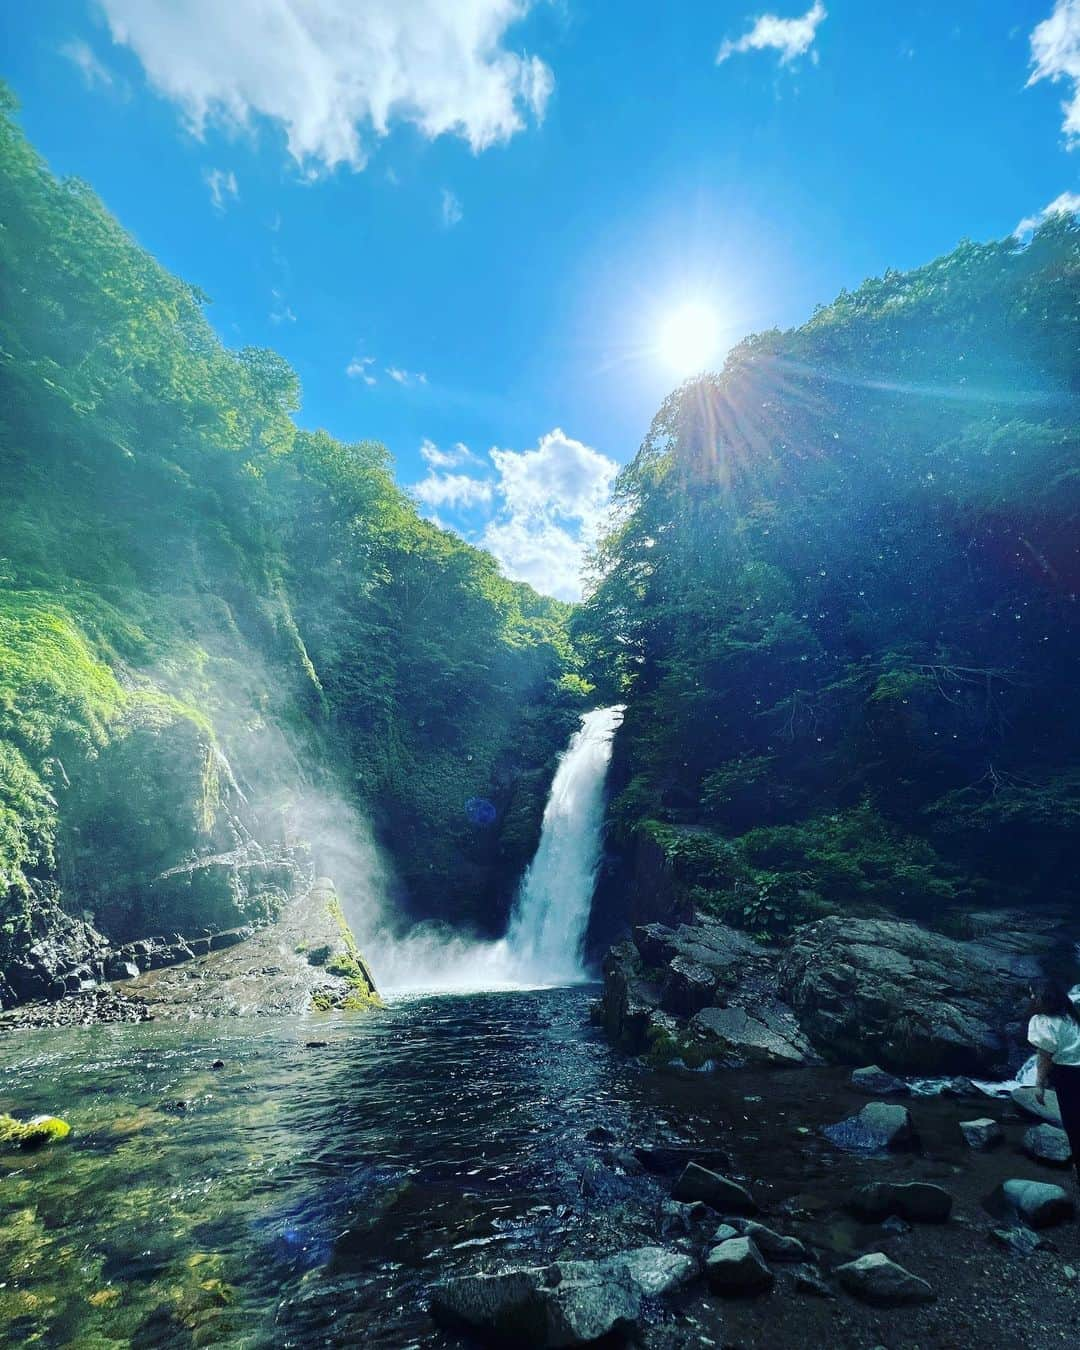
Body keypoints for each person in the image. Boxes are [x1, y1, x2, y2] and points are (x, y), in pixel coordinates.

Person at [1028, 978, 1080, 1185]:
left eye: (1032, 993)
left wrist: (1039, 1085)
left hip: (1068, 1076)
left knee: (1074, 1124)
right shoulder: (1072, 1017)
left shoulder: (1044, 1021)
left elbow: (1045, 1057)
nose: (1031, 997)